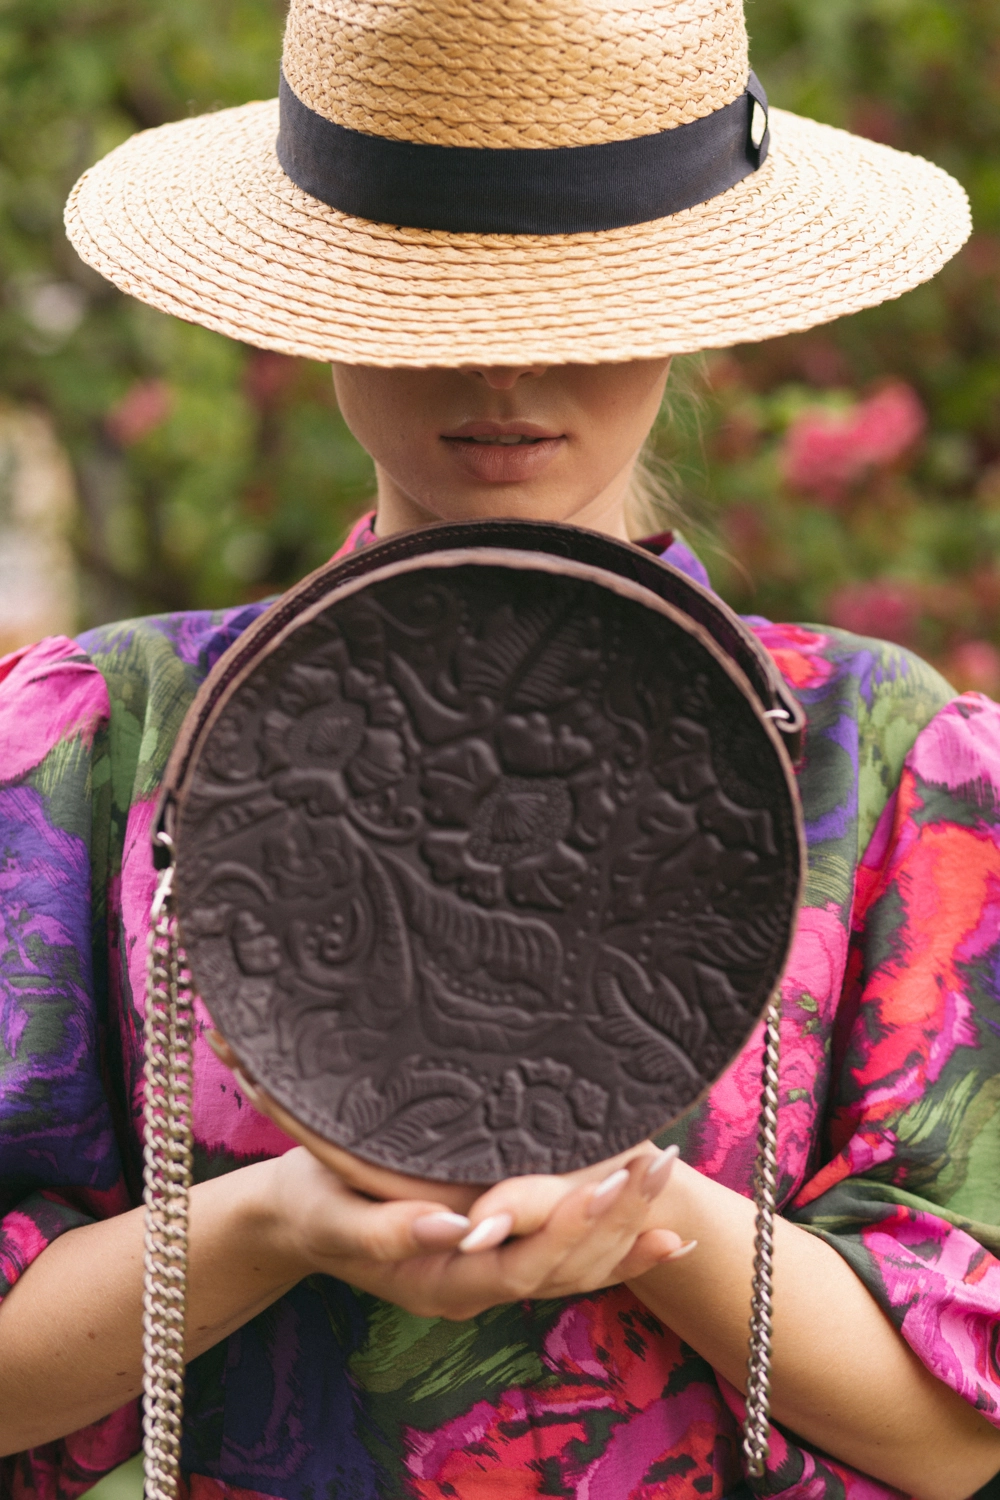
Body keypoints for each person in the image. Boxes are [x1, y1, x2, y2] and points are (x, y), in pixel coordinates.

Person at [1, 1, 999, 1496]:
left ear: (687, 303)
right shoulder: (95, 742)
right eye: (429, 296)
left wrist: (647, 1216)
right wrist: (273, 1222)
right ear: (318, 303)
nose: (506, 364)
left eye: (581, 295)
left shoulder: (893, 761)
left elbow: (958, 1431)